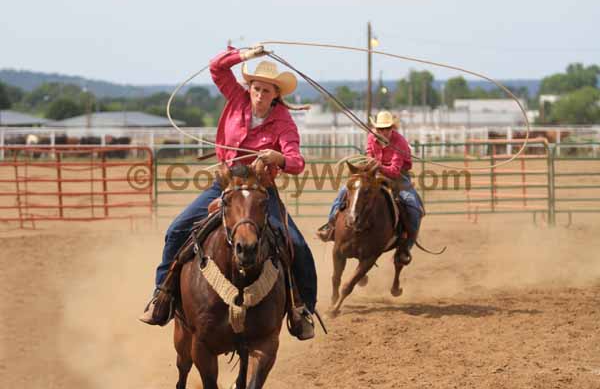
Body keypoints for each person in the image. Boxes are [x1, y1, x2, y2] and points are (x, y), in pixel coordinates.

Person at [139, 45, 317, 340]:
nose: (260, 95)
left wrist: (279, 158)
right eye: (257, 88)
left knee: (296, 245)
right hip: (225, 186)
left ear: (276, 95)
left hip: (261, 191)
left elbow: (297, 162)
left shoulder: (284, 121)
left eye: (267, 90)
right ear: (249, 88)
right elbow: (217, 68)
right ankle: (163, 295)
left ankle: (302, 309)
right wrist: (246, 55)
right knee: (176, 230)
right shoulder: (236, 98)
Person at [316, 110, 423, 260]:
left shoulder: (400, 142)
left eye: (387, 128)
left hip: (398, 176)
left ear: (393, 128)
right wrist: (370, 165)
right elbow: (368, 156)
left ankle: (406, 247)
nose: (384, 132)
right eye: (380, 128)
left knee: (412, 204)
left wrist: (377, 165)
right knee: (344, 191)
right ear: (376, 129)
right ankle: (330, 226)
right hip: (374, 172)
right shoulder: (371, 138)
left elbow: (394, 171)